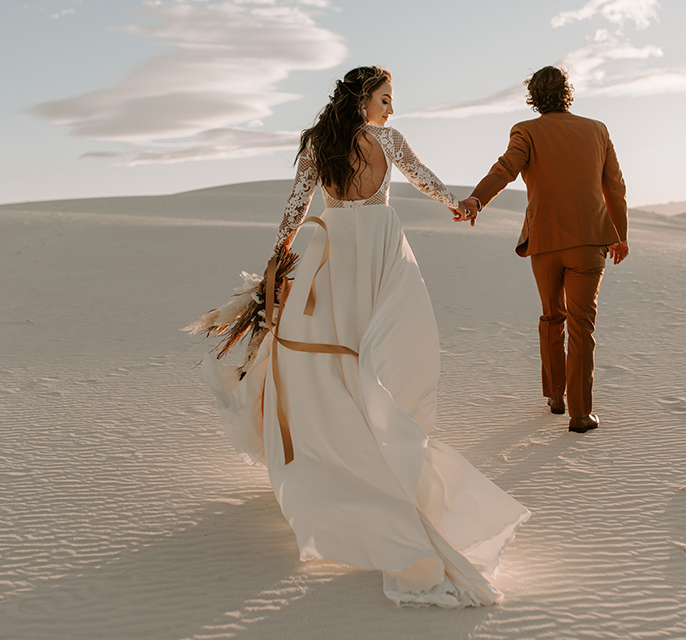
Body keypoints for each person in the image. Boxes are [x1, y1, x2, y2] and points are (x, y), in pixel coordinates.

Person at [201, 66, 529, 607]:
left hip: (331, 255)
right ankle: (381, 449)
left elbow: (297, 203)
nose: (391, 109)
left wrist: (281, 252)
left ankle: (342, 453)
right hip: (377, 251)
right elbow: (420, 175)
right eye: (385, 98)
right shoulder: (387, 140)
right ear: (363, 99)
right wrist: (458, 204)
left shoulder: (319, 141)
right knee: (387, 353)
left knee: (327, 359)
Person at [459, 66, 629, 433]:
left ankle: (555, 396)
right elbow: (614, 186)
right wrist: (620, 234)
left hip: (546, 242)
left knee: (552, 316)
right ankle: (580, 414)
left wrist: (477, 200)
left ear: (534, 96)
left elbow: (505, 169)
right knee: (582, 326)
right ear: (568, 93)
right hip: (588, 243)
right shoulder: (597, 130)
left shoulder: (527, 132)